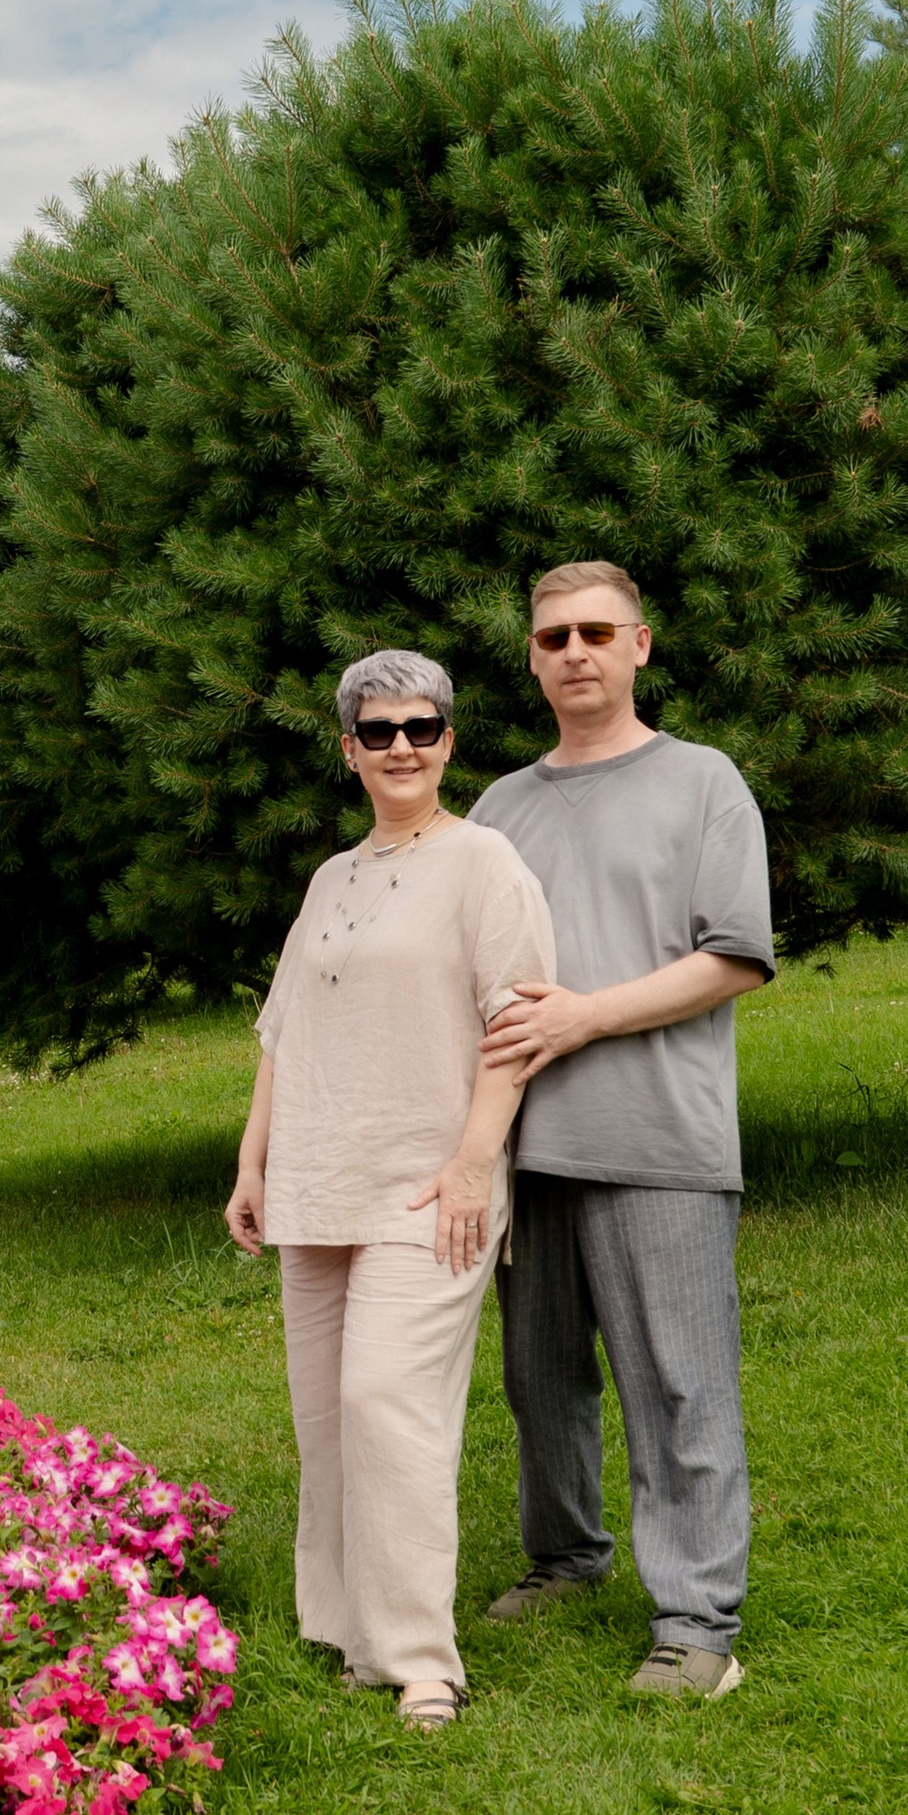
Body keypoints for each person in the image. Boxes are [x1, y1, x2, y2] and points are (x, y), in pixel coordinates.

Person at [225, 651, 555, 1728]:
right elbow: (284, 1033)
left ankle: (421, 1658)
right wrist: (252, 1161)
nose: (401, 746)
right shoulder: (332, 877)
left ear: (449, 740)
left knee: (388, 1405)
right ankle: (343, 1627)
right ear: (348, 749)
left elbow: (515, 1026)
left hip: (429, 1187)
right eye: (378, 731)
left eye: (421, 727)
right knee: (324, 1414)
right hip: (315, 1180)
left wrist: (474, 1161)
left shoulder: (487, 863)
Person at [474, 562, 773, 1700]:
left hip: (661, 1135)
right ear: (533, 657)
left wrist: (585, 1016)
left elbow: (736, 952)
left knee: (680, 1382)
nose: (574, 653)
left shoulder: (703, 782)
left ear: (640, 645)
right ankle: (566, 1555)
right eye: (552, 637)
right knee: (539, 1378)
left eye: (597, 632)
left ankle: (697, 1619)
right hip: (525, 1142)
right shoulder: (500, 806)